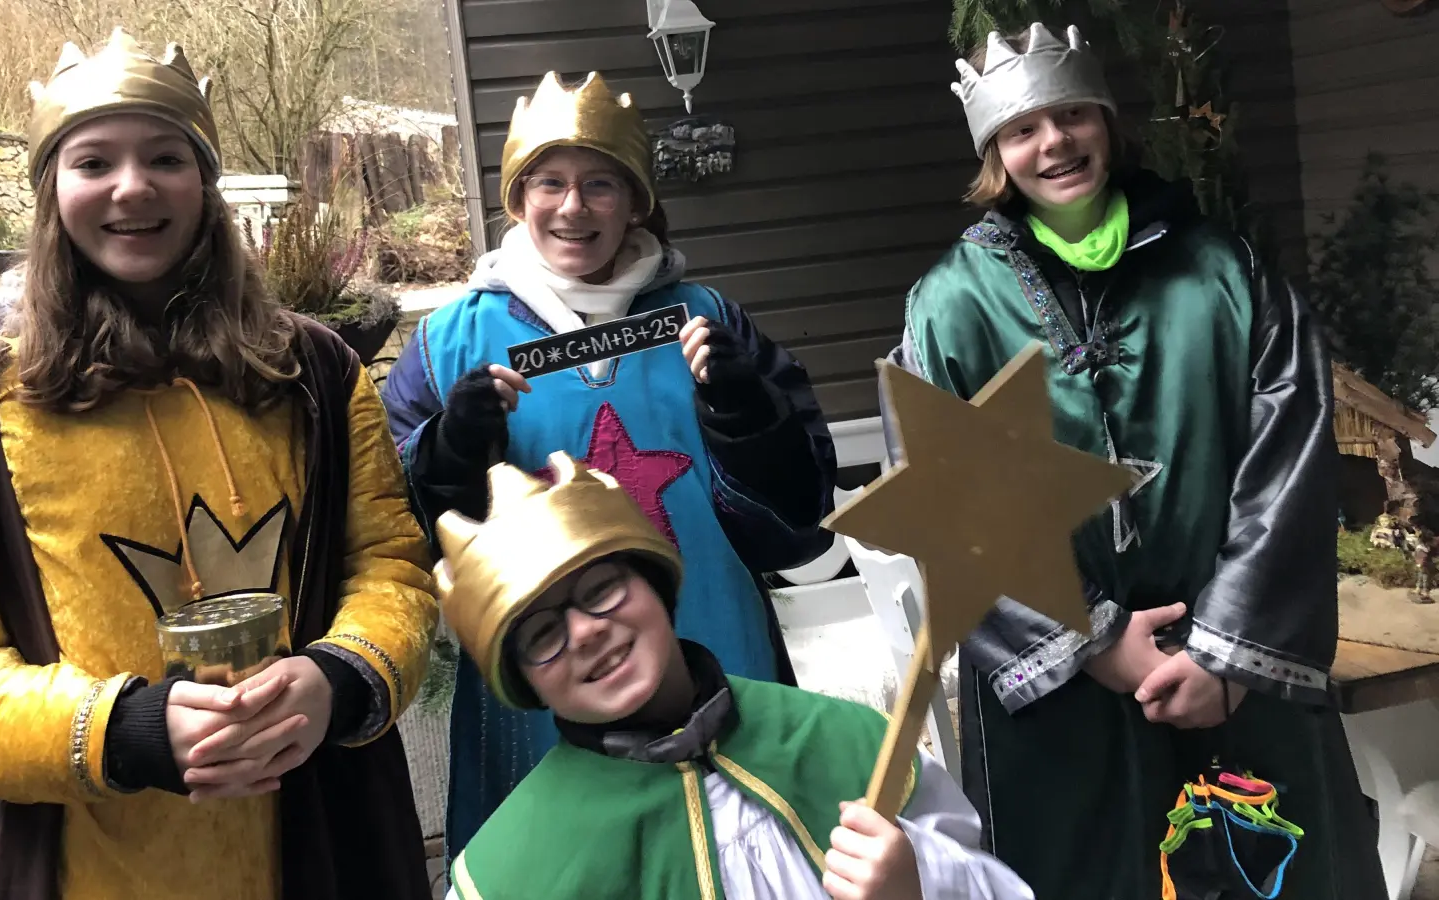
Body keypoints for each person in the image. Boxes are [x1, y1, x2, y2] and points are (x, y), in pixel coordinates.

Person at [0, 29, 437, 899]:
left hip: (323, 842)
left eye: (165, 157)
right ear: (51, 191)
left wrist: (339, 678)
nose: (132, 187)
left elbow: (391, 570)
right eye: (93, 161)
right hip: (90, 867)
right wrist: (119, 730)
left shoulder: (314, 375)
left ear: (205, 185)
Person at [880, 22, 1382, 898]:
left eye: (1072, 114)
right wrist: (1094, 642)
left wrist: (1226, 652)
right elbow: (948, 503)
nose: (1055, 142)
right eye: (1023, 130)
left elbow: (1288, 457)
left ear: (1108, 124)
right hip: (1067, 698)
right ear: (996, 155)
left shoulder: (1226, 273)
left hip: (1232, 678)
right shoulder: (949, 308)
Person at [381, 70, 838, 856]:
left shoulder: (705, 317)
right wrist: (454, 449)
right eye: (549, 183)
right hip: (545, 682)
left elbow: (797, 509)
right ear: (517, 200)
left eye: (600, 184)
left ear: (636, 201)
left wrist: (744, 410)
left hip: (720, 653)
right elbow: (395, 527)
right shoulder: (447, 342)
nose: (573, 207)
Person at [433, 452, 1034, 900]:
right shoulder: (510, 872)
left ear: (656, 585)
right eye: (542, 635)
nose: (586, 632)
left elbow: (992, 885)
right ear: (526, 683)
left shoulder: (850, 742)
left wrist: (920, 880)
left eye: (601, 589)